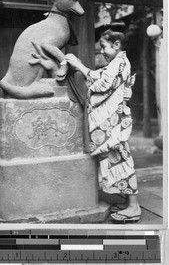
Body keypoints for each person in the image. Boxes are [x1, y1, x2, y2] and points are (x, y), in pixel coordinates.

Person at [65, 23, 141, 223]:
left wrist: (79, 66)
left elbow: (103, 84)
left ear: (116, 45)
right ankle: (128, 202)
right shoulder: (119, 63)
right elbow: (104, 79)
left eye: (105, 47)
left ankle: (134, 207)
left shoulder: (119, 63)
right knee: (116, 159)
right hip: (115, 119)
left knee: (121, 159)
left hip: (116, 121)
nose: (103, 52)